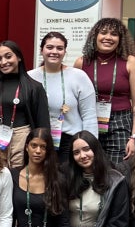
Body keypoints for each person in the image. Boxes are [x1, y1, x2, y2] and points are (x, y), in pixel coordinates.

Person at [75, 18, 135, 165]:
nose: (108, 37)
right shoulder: (82, 62)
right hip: (90, 120)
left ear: (120, 39)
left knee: (118, 169)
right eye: (103, 33)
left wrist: (134, 137)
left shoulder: (129, 62)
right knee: (90, 166)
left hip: (121, 122)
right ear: (95, 36)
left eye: (114, 34)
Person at [31, 31, 98, 162]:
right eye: (49, 47)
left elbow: (89, 115)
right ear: (41, 50)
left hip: (71, 142)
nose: (54, 51)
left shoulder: (79, 76)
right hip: (40, 142)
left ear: (65, 52)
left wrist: (90, 146)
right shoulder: (30, 77)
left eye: (59, 48)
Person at [0, 41, 50, 170]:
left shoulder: (34, 87)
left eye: (8, 56)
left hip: (23, 138)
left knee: (20, 177)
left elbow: (43, 123)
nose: (3, 62)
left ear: (19, 57)